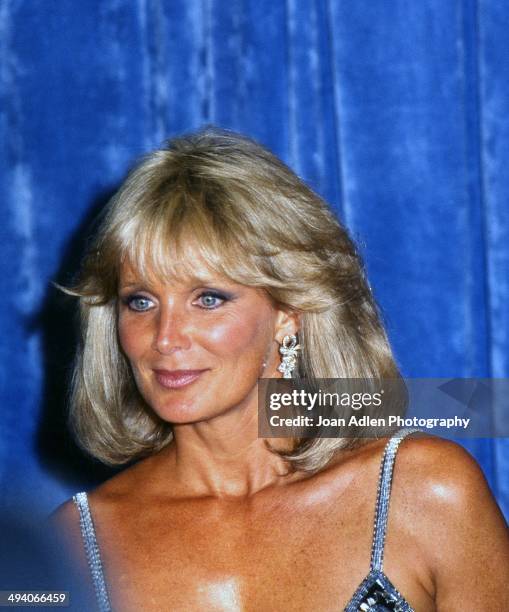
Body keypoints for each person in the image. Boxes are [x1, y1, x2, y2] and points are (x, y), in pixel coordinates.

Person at [51, 127, 509, 611]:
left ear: (287, 312)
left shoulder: (424, 493)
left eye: (208, 299)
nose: (165, 337)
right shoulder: (72, 548)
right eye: (140, 301)